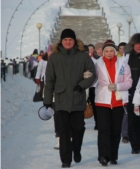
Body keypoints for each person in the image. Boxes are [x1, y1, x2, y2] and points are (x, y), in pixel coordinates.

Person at [43, 28, 96, 168]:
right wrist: (47, 101)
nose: (67, 42)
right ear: (61, 41)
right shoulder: (54, 57)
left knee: (78, 128)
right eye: (65, 39)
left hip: (77, 99)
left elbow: (92, 74)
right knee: (63, 131)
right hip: (60, 100)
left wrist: (82, 85)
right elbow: (49, 80)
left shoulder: (83, 56)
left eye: (70, 39)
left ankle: (76, 149)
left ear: (74, 41)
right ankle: (66, 160)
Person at [94, 40, 132, 166]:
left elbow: (129, 82)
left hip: (118, 101)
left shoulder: (123, 64)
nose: (109, 53)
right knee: (104, 129)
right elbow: (94, 81)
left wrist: (117, 86)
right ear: (103, 52)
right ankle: (103, 156)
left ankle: (113, 155)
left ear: (115, 52)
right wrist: (87, 76)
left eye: (111, 51)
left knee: (116, 130)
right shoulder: (97, 64)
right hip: (102, 101)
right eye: (106, 51)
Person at [117, 42, 129, 143]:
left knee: (126, 114)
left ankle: (125, 134)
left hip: (126, 91)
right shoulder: (117, 60)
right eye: (121, 48)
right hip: (114, 92)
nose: (123, 50)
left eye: (124, 48)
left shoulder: (128, 59)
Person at [89, 42, 103, 130]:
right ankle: (97, 122)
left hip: (102, 86)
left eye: (101, 49)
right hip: (93, 86)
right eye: (98, 49)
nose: (100, 51)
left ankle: (102, 122)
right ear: (95, 50)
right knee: (94, 105)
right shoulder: (91, 60)